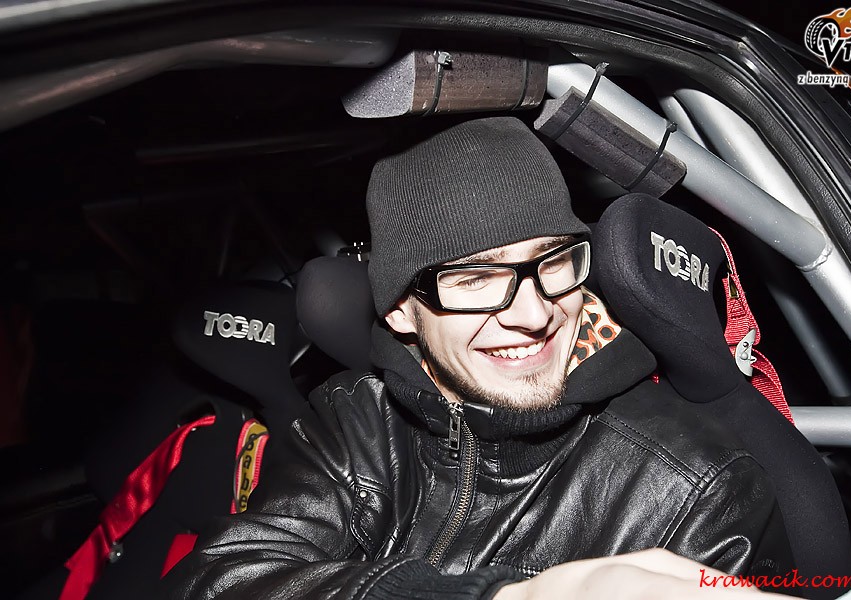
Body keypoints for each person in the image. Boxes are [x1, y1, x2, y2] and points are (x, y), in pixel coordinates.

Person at [165, 117, 794, 599]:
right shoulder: (355, 419)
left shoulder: (701, 487)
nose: (534, 314)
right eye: (475, 280)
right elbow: (221, 580)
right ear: (400, 311)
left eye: (553, 262)